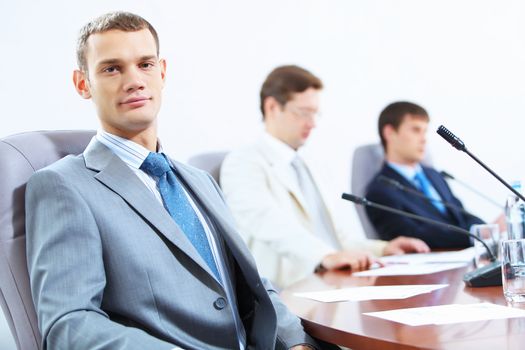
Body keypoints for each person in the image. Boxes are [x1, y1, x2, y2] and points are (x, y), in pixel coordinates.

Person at [25, 12, 326, 350]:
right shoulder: (64, 186)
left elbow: (252, 284)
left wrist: (297, 342)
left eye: (145, 64)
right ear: (83, 84)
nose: (135, 80)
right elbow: (69, 325)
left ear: (162, 72)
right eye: (112, 68)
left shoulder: (199, 181)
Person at [220, 66, 429, 289]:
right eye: (303, 112)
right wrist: (325, 256)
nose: (313, 123)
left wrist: (382, 249)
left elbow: (336, 238)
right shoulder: (243, 162)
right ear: (272, 107)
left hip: (333, 283)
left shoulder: (313, 165)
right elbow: (267, 222)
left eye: (315, 113)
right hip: (286, 291)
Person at [365, 101, 485, 248]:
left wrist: (486, 230)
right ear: (389, 132)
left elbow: (462, 215)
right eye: (416, 130)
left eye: (424, 131)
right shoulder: (380, 191)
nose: (423, 139)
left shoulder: (434, 175)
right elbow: (416, 236)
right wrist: (476, 236)